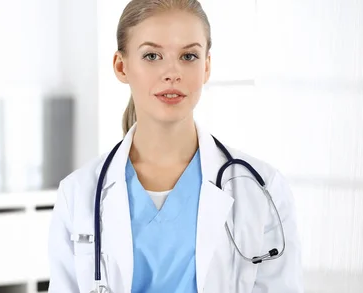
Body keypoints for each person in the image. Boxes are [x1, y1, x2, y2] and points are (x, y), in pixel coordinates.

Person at [47, 0, 303, 292]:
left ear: (206, 66)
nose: (172, 72)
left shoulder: (262, 189)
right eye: (152, 55)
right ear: (121, 66)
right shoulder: (79, 194)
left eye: (189, 56)